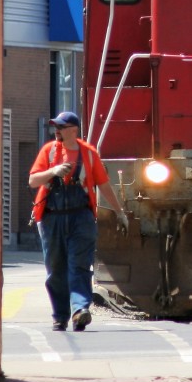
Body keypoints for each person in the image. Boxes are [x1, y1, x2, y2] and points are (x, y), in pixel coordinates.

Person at [28, 111, 130, 332]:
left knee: (79, 266)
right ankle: (59, 315)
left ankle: (79, 310)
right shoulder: (49, 151)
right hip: (52, 217)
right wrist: (52, 171)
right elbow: (33, 180)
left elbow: (104, 186)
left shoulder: (89, 154)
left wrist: (119, 212)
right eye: (56, 127)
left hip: (81, 217)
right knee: (56, 270)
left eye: (61, 127)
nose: (57, 131)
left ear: (73, 130)